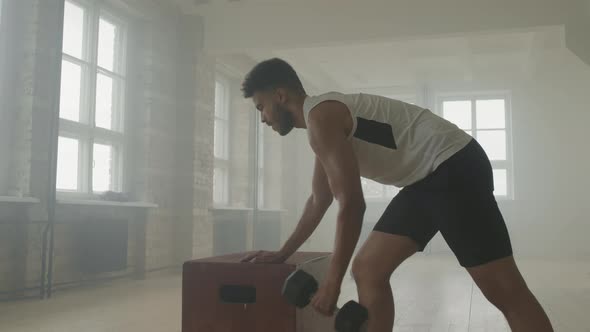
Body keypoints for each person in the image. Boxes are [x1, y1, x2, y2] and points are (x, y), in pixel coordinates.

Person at [239, 58, 553, 332]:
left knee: (505, 290)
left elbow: (352, 204)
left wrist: (332, 283)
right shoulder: (320, 123)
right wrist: (283, 253)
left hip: (453, 165)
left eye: (261, 107)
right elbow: (319, 200)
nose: (263, 117)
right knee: (368, 269)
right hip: (423, 180)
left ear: (280, 96)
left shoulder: (322, 118)